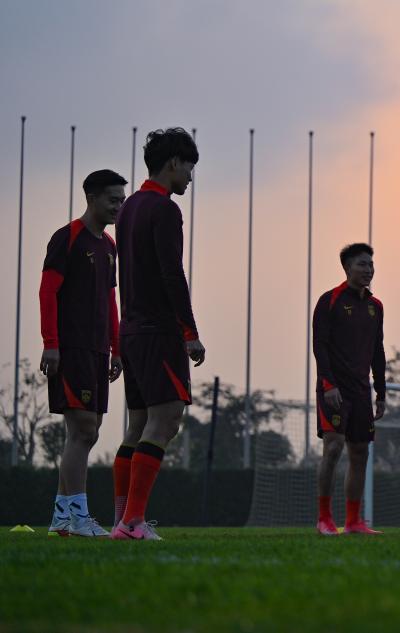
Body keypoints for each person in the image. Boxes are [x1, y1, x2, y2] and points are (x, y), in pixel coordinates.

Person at [110, 129, 205, 541]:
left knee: (139, 424)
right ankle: (133, 522)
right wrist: (190, 331)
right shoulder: (165, 209)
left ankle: (121, 521)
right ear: (173, 163)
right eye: (189, 167)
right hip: (158, 332)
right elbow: (171, 274)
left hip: (131, 331)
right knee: (166, 419)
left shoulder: (129, 206)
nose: (190, 177)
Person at [40, 170, 127, 537]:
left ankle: (61, 519)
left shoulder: (109, 246)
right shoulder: (67, 238)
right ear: (92, 198)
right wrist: (51, 344)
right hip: (71, 349)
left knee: (88, 433)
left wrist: (116, 349)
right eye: (113, 200)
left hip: (97, 351)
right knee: (83, 430)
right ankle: (79, 518)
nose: (118, 207)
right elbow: (47, 292)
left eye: (122, 201)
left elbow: (110, 299)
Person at [313, 243, 387, 536]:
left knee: (360, 453)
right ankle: (324, 519)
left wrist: (380, 392)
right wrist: (328, 384)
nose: (368, 270)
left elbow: (378, 351)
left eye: (371, 264)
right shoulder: (329, 300)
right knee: (333, 448)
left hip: (361, 391)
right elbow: (319, 346)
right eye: (362, 264)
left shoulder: (375, 306)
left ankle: (354, 521)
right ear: (347, 268)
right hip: (333, 388)